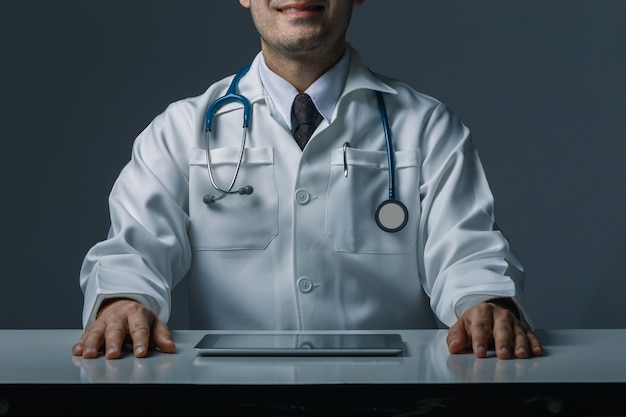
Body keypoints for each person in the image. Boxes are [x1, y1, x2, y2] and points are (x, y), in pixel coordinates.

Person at [72, 0, 543, 361]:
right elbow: (135, 249)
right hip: (230, 394)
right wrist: (123, 300)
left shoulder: (426, 125)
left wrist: (485, 301)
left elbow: (467, 248)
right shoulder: (181, 129)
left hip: (392, 395)